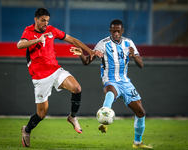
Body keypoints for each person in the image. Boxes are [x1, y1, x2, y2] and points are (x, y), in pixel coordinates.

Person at [17, 7, 101, 147]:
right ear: (36, 19)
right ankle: (26, 130)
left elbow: (72, 40)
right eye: (43, 21)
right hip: (40, 76)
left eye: (47, 21)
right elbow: (20, 45)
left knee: (77, 88)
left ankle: (72, 117)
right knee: (42, 114)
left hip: (55, 70)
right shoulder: (29, 31)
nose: (45, 23)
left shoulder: (51, 30)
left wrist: (90, 51)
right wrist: (38, 40)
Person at [70, 19, 152, 149]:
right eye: (114, 31)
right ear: (110, 31)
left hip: (125, 82)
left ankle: (137, 142)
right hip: (110, 80)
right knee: (110, 93)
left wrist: (134, 56)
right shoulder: (103, 44)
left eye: (118, 31)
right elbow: (87, 62)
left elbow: (140, 64)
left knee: (141, 113)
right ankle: (103, 121)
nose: (116, 33)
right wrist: (81, 55)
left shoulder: (128, 43)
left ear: (122, 31)